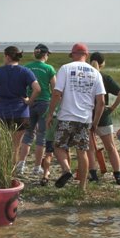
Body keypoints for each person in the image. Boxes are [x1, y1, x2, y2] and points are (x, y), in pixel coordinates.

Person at [46, 43, 106, 191]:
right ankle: (82, 186)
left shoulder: (66, 68)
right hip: (85, 118)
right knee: (82, 151)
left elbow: (56, 93)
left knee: (58, 146)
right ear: (86, 55)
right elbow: (101, 101)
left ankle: (66, 170)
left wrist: (50, 114)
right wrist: (95, 122)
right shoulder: (95, 72)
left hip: (66, 116)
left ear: (73, 54)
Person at [0, 46, 41, 174]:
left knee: (2, 144)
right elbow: (37, 88)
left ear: (7, 56)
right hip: (20, 112)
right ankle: (12, 173)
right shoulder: (25, 71)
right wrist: (29, 101)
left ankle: (2, 170)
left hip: (2, 111)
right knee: (15, 146)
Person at [86, 52, 120, 185]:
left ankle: (93, 174)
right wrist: (112, 108)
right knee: (110, 147)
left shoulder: (85, 77)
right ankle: (118, 175)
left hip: (87, 116)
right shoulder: (105, 78)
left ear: (89, 61)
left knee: (90, 149)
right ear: (102, 63)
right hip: (103, 116)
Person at [21, 44, 57, 178]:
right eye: (48, 54)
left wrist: (26, 99)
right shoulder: (49, 68)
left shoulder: (26, 67)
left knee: (28, 134)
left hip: (29, 103)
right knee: (42, 135)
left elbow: (22, 86)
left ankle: (21, 164)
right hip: (44, 103)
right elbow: (55, 89)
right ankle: (37, 167)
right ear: (45, 55)